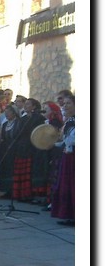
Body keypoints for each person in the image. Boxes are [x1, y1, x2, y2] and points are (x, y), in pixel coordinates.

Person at [50, 93, 74, 226]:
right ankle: (69, 214)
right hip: (68, 157)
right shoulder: (69, 121)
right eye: (64, 104)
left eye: (68, 103)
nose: (65, 106)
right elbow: (66, 141)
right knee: (67, 185)